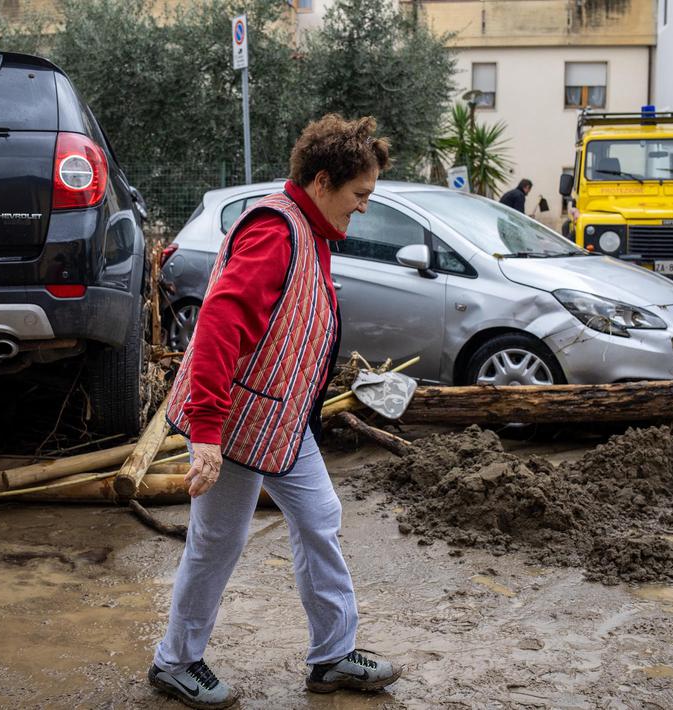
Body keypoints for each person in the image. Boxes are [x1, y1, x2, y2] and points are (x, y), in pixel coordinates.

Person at [148, 115, 401, 709]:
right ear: (321, 181)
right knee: (219, 539)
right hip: (235, 421)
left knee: (319, 515)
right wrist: (206, 433)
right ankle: (174, 662)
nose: (363, 208)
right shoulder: (276, 231)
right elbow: (217, 325)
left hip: (282, 422)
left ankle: (333, 656)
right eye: (359, 194)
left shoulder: (312, 231)